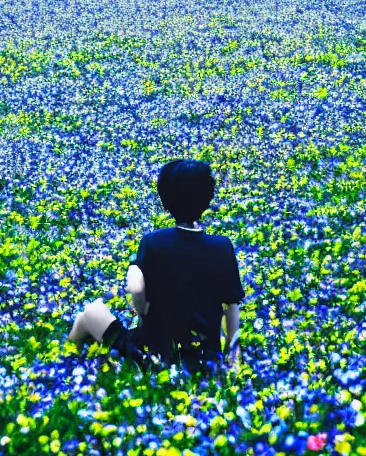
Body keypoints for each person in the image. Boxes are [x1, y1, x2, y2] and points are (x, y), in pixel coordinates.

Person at [66, 159, 244, 375]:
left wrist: (141, 310)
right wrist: (232, 360)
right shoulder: (223, 246)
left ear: (165, 200)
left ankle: (66, 370)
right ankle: (101, 365)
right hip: (204, 360)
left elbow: (137, 289)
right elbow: (231, 309)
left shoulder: (153, 242)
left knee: (90, 313)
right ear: (207, 200)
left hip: (155, 357)